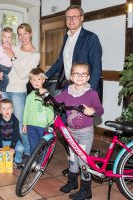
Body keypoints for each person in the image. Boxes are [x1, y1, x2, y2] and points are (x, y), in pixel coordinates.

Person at [42, 63, 104, 200]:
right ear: (71, 76)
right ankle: (72, 182)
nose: (80, 76)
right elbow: (58, 100)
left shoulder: (91, 93)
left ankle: (86, 190)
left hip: (85, 133)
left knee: (83, 161)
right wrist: (48, 98)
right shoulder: (68, 91)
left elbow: (100, 110)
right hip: (71, 132)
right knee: (72, 159)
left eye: (83, 74)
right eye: (76, 73)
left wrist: (92, 111)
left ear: (88, 77)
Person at [0, 23, 40, 161]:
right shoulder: (14, 47)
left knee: (21, 127)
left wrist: (13, 57)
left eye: (25, 33)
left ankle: (29, 153)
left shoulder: (35, 54)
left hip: (18, 92)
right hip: (5, 90)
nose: (22, 37)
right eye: (20, 34)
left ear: (31, 33)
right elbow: (1, 59)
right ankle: (8, 150)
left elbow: (23, 74)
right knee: (4, 123)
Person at [45, 5, 102, 93]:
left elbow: (96, 68)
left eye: (74, 17)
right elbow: (61, 61)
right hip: (67, 86)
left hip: (84, 87)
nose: (71, 20)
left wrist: (90, 92)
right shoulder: (66, 37)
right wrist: (44, 76)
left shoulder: (91, 37)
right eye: (68, 17)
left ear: (81, 18)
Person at [22, 68, 54, 153]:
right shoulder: (29, 96)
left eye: (39, 79)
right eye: (33, 80)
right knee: (33, 145)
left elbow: (50, 109)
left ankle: (41, 163)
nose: (36, 82)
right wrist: (24, 123)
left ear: (43, 80)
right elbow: (26, 110)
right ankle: (33, 162)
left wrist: (51, 124)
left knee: (42, 145)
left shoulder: (46, 95)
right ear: (30, 81)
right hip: (30, 125)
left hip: (42, 125)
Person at [0, 99, 24, 170]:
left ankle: (18, 161)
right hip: (2, 140)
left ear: (12, 110)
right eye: (4, 108)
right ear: (0, 111)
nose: (7, 110)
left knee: (20, 148)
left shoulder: (15, 120)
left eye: (9, 108)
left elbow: (16, 134)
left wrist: (13, 147)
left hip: (13, 140)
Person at [0, 27, 15, 104]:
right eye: (5, 36)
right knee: (6, 80)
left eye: (9, 37)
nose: (7, 39)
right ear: (2, 37)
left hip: (9, 69)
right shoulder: (0, 48)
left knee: (6, 81)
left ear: (12, 38)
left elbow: (14, 59)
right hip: (1, 67)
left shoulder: (13, 47)